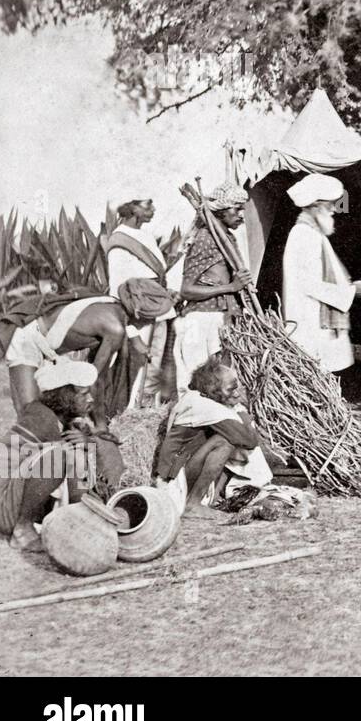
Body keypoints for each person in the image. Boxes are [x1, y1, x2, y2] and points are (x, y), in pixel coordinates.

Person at [0, 278, 174, 418]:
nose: (151, 323)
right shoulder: (114, 329)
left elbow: (118, 323)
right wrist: (100, 425)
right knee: (30, 412)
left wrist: (135, 339)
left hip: (42, 344)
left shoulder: (111, 304)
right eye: (152, 318)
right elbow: (95, 379)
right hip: (26, 339)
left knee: (43, 412)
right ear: (138, 313)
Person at [0, 361, 116, 551]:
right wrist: (88, 445)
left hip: (7, 500)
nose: (90, 399)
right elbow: (77, 473)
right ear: (65, 396)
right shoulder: (43, 419)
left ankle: (77, 523)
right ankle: (22, 531)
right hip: (0, 504)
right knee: (62, 456)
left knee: (73, 454)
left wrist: (88, 443)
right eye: (83, 394)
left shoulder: (55, 418)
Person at [282, 173, 361, 372]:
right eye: (329, 204)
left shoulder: (314, 233)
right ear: (314, 206)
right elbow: (308, 284)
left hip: (319, 316)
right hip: (310, 317)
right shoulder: (303, 235)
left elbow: (329, 275)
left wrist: (355, 287)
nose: (333, 209)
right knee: (315, 371)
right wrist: (353, 291)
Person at [155, 357, 280, 518]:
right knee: (223, 443)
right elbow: (250, 441)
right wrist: (242, 412)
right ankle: (193, 504)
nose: (236, 394)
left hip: (182, 472)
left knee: (230, 441)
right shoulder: (205, 406)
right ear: (213, 390)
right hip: (173, 482)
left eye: (237, 388)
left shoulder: (199, 398)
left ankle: (212, 498)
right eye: (231, 389)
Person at [174, 183, 252, 392]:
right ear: (221, 211)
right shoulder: (205, 239)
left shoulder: (226, 238)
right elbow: (186, 290)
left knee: (218, 387)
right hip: (200, 322)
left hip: (218, 321)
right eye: (236, 209)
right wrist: (230, 287)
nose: (241, 215)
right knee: (197, 385)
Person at [106, 195, 176, 406]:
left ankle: (146, 415)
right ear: (132, 207)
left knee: (154, 370)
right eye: (148, 204)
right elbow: (117, 291)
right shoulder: (120, 241)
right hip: (137, 316)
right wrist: (132, 333)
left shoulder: (145, 236)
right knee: (138, 370)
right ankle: (131, 415)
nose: (153, 209)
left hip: (159, 309)